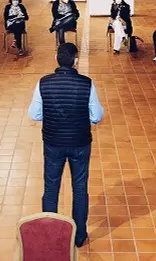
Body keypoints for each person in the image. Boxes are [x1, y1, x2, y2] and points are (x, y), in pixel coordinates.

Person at [28, 43, 104, 248]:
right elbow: (96, 116)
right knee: (80, 188)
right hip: (80, 143)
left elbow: (34, 115)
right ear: (76, 60)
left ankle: (49, 234)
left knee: (51, 188)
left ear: (56, 59)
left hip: (53, 143)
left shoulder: (43, 83)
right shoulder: (87, 83)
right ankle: (79, 236)